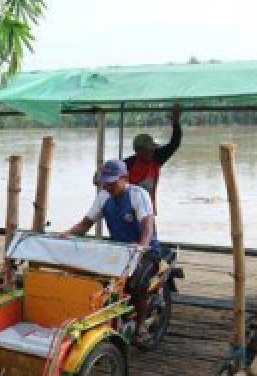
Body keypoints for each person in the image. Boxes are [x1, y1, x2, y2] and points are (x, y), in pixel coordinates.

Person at [64, 159, 160, 343]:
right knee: (93, 279)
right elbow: (85, 225)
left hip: (146, 251)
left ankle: (141, 326)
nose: (108, 186)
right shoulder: (103, 197)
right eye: (105, 182)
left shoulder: (138, 195)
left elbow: (148, 228)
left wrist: (141, 247)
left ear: (125, 178)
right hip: (118, 251)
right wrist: (66, 234)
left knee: (136, 284)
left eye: (112, 182)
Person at [124, 104, 183, 211]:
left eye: (152, 149)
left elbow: (174, 143)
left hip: (148, 211)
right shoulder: (128, 164)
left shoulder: (157, 158)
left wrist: (175, 122)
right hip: (129, 211)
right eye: (148, 150)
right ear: (138, 151)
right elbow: (110, 173)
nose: (152, 152)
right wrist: (100, 174)